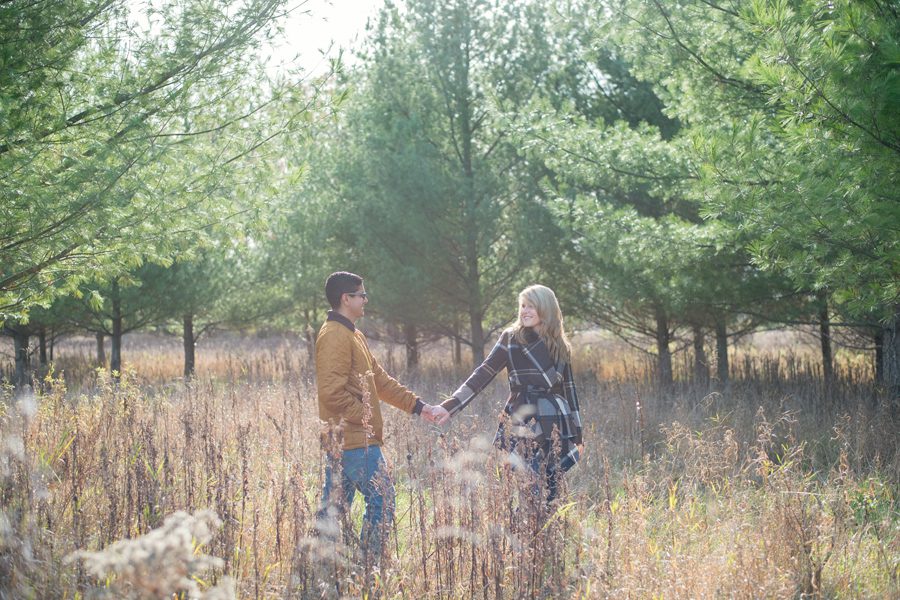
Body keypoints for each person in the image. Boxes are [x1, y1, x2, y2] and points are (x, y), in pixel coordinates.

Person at [313, 271, 448, 563]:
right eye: (361, 295)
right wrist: (364, 417)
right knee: (383, 499)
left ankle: (322, 564)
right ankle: (368, 564)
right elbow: (330, 392)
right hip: (353, 438)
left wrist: (418, 406)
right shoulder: (334, 335)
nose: (365, 300)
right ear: (345, 298)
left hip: (350, 438)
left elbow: (381, 381)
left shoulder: (352, 334)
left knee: (333, 508)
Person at [434, 284, 582, 504]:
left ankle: (545, 533)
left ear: (546, 309)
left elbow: (569, 390)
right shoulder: (511, 338)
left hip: (555, 421)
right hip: (522, 417)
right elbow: (483, 373)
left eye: (531, 306)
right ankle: (522, 531)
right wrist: (451, 405)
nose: (525, 311)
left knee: (551, 486)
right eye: (522, 306)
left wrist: (577, 434)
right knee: (527, 484)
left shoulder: (560, 344)